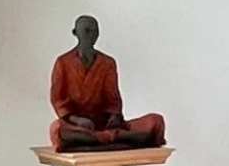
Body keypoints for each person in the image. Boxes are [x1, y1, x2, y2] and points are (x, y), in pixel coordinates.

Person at [47, 14, 164, 149]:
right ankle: (111, 138)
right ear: (75, 33)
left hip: (103, 125)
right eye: (86, 30)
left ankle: (103, 138)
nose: (91, 35)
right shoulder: (63, 62)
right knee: (57, 128)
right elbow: (58, 99)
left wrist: (114, 116)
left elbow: (112, 97)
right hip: (78, 127)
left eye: (95, 31)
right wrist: (77, 120)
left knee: (155, 121)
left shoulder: (107, 63)